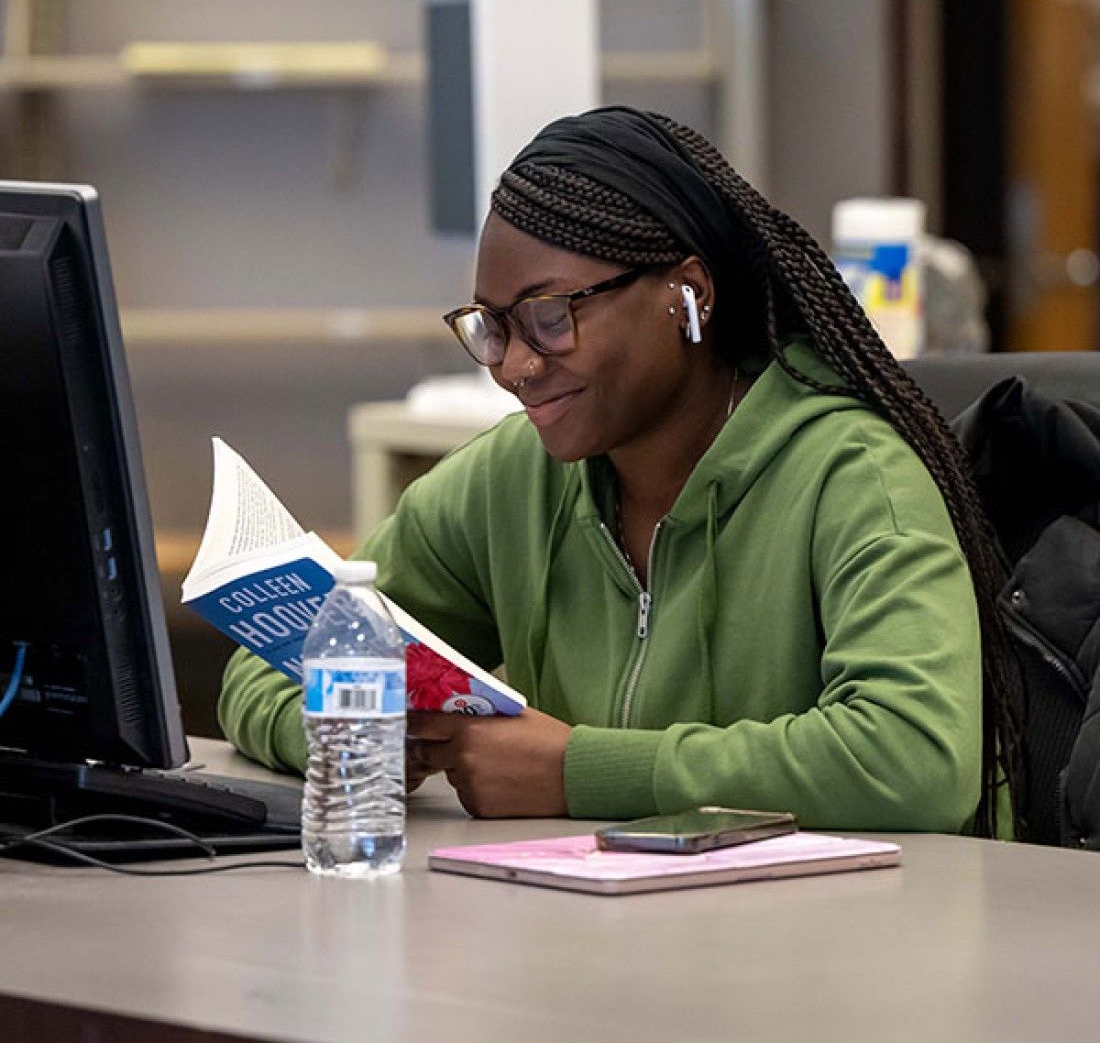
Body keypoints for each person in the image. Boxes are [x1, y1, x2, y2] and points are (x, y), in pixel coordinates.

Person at [218, 106, 1022, 836]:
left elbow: (915, 759)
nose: (518, 366)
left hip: (850, 957)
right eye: (493, 327)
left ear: (688, 293)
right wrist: (367, 726)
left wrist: (574, 770)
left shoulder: (852, 476)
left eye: (551, 315)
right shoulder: (512, 481)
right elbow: (266, 667)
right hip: (604, 949)